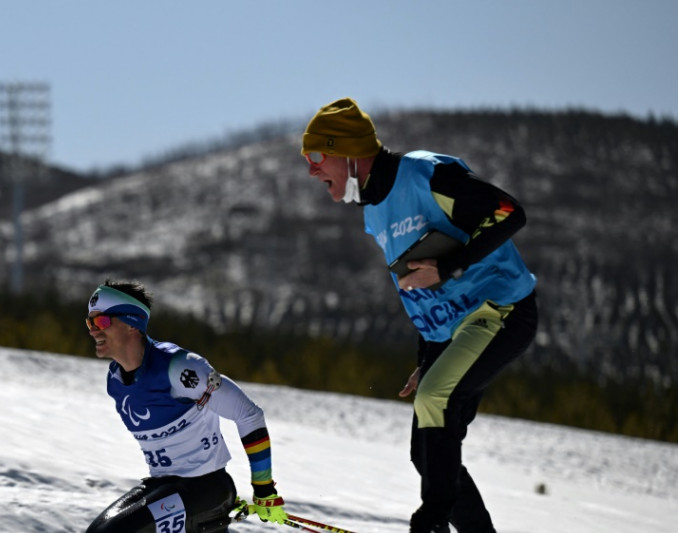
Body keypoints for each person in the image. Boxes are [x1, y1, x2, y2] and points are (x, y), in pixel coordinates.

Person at [301, 98, 538, 533]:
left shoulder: (423, 174)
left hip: (501, 310)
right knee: (426, 454)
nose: (312, 170)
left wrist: (451, 265)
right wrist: (427, 356)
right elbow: (419, 288)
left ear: (351, 153)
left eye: (317, 156)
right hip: (452, 332)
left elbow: (508, 212)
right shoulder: (373, 211)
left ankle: (430, 521)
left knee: (436, 400)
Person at [85, 280, 287, 533]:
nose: (93, 330)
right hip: (165, 488)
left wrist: (264, 489)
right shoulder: (115, 381)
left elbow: (249, 415)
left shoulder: (179, 367)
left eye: (101, 321)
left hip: (205, 489)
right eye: (89, 322)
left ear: (131, 323)